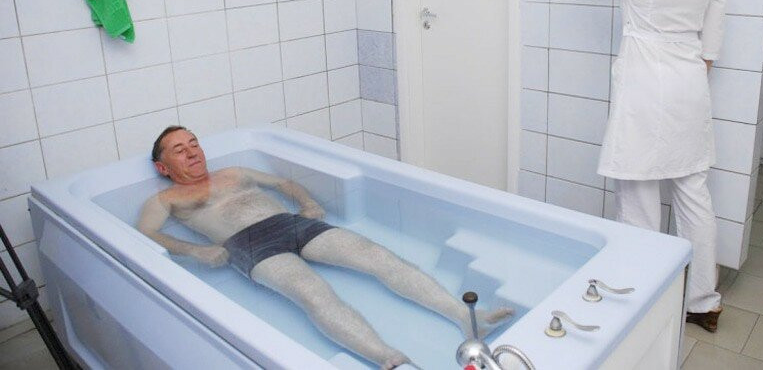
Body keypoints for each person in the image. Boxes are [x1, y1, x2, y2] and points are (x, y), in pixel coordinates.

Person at [137, 126, 512, 369]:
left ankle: (465, 318)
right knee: (312, 292)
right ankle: (392, 361)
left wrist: (307, 203)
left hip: (291, 222)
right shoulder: (165, 199)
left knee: (377, 256)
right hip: (246, 243)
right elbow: (148, 234)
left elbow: (283, 184)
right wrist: (196, 251)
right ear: (162, 167)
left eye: (194, 143)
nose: (192, 152)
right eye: (179, 150)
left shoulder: (233, 172)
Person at [561, 0, 725, 332]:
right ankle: (704, 301)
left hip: (644, 86)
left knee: (637, 193)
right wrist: (684, 73)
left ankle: (642, 295)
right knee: (693, 194)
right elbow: (711, 41)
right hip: (690, 83)